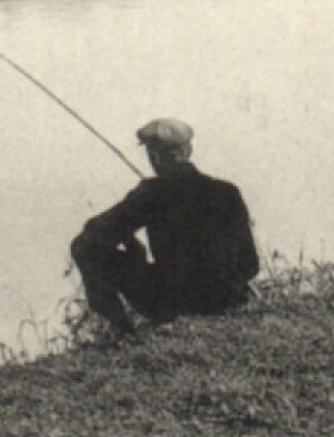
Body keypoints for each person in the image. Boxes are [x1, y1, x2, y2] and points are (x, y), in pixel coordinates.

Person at [69, 118, 259, 335]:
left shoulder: (151, 193)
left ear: (154, 156)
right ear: (189, 150)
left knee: (82, 247)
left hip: (174, 303)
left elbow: (94, 234)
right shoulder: (227, 192)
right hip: (227, 299)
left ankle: (122, 332)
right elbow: (250, 264)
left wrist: (131, 244)